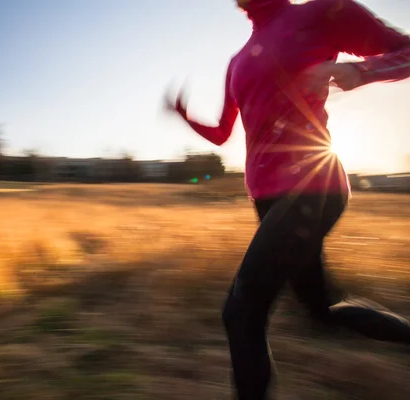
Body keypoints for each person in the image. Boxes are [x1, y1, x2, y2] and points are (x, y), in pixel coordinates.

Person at [165, 0, 410, 398]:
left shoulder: (322, 14)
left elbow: (405, 51)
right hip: (267, 200)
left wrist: (357, 70)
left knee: (241, 314)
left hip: (313, 186)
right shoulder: (237, 62)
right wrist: (184, 115)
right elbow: (224, 133)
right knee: (322, 311)